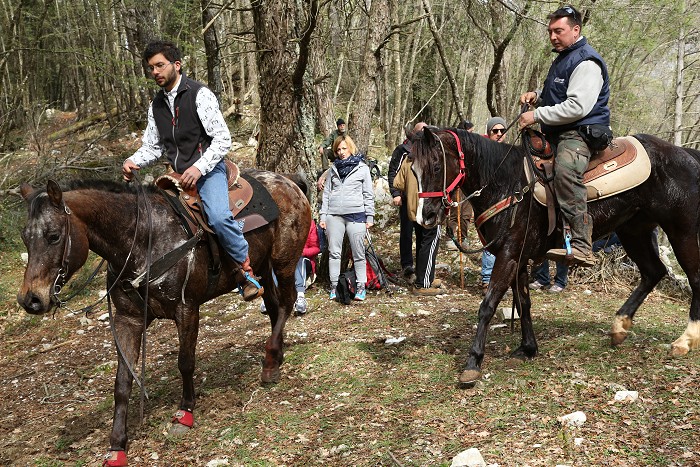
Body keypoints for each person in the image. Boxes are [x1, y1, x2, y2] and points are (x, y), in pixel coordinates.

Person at [122, 40, 263, 302]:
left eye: (160, 65)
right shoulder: (156, 105)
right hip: (176, 174)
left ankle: (245, 271)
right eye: (151, 68)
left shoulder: (200, 94)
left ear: (177, 65)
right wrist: (133, 160)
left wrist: (199, 168)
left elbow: (222, 139)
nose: (155, 72)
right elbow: (153, 146)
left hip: (208, 170)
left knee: (218, 217)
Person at [519, 5, 611, 268]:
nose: (552, 37)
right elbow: (559, 95)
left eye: (558, 31)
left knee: (565, 172)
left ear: (575, 30)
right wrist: (538, 96)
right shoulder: (564, 58)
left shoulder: (587, 61)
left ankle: (582, 244)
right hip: (557, 131)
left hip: (579, 134)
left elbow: (577, 107)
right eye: (550, 31)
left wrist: (536, 115)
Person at [319, 135, 375, 301]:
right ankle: (334, 286)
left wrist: (370, 216)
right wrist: (323, 216)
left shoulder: (362, 168)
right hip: (334, 216)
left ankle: (361, 287)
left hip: (356, 215)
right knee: (334, 253)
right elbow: (327, 194)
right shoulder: (333, 169)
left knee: (358, 253)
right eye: (338, 150)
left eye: (344, 148)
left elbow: (368, 194)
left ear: (350, 148)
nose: (341, 152)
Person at [393, 125, 443, 296]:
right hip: (428, 207)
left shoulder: (408, 159)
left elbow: (398, 183)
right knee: (430, 240)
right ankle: (423, 283)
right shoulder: (430, 160)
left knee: (423, 241)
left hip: (412, 207)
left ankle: (426, 277)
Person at [387, 123, 422, 278]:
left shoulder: (428, 150)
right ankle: (407, 264)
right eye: (420, 130)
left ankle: (422, 266)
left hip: (424, 200)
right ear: (413, 132)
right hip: (406, 197)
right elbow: (393, 172)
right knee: (407, 233)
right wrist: (396, 193)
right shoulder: (402, 150)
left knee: (422, 234)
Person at [479, 116, 507, 290]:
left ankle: (504, 277)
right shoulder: (484, 153)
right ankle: (487, 278)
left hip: (509, 203)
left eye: (502, 130)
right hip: (489, 205)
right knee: (490, 240)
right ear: (489, 133)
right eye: (495, 131)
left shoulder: (511, 152)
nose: (499, 134)